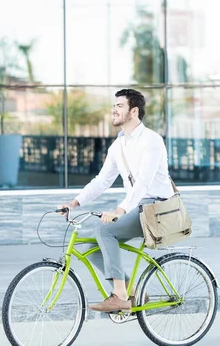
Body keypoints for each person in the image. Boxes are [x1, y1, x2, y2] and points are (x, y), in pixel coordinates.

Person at [59, 88, 175, 313]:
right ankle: (131, 290)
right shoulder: (118, 146)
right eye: (114, 106)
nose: (114, 109)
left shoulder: (152, 140)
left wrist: (120, 210)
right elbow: (102, 181)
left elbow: (143, 183)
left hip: (158, 208)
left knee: (105, 231)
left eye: (119, 106)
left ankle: (120, 296)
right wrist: (73, 203)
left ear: (134, 111)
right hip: (140, 207)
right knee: (92, 240)